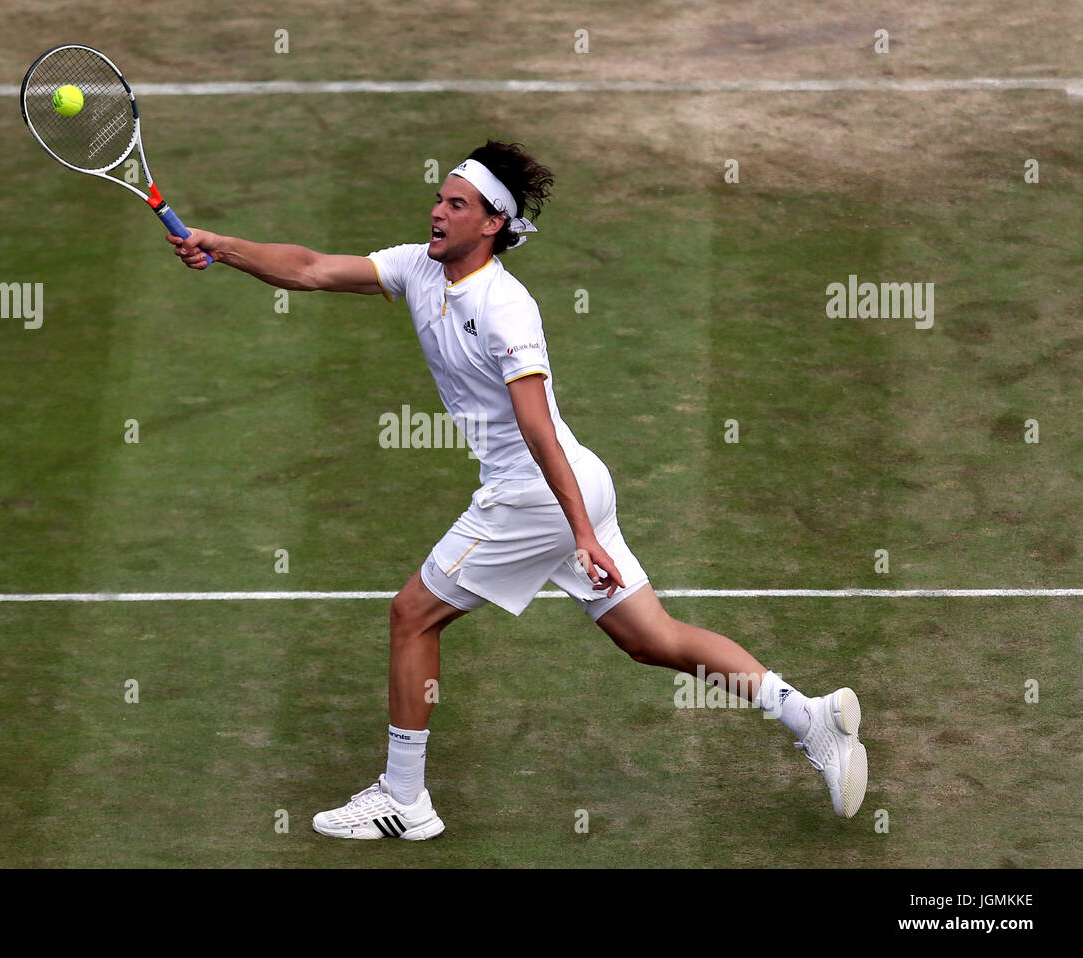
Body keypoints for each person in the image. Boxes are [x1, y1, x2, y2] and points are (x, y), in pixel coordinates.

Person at [168, 141, 868, 839]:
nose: (436, 212)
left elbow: (536, 428)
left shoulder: (505, 309)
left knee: (412, 615)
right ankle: (810, 716)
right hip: (575, 490)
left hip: (539, 494)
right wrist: (221, 246)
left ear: (492, 223)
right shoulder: (418, 267)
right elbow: (314, 269)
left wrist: (582, 535)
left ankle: (404, 799)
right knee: (652, 640)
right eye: (440, 199)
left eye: (455, 205)